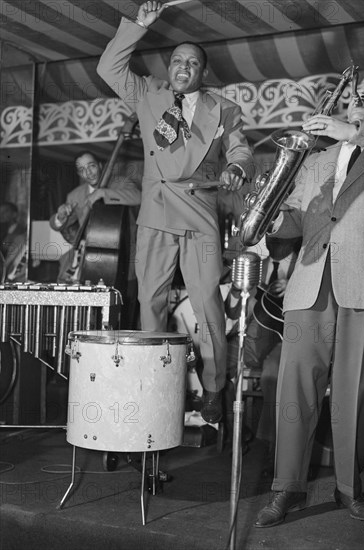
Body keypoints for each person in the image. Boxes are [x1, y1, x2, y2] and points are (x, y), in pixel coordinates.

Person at [254, 80, 364, 528]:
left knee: (358, 388)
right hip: (311, 280)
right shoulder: (315, 160)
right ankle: (286, 487)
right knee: (295, 386)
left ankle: (350, 487)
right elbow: (294, 220)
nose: (356, 100)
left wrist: (350, 129)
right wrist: (270, 215)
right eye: (352, 97)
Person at [97, 1, 255, 423]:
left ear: (203, 73)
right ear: (170, 68)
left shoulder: (221, 108)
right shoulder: (148, 93)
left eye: (193, 63)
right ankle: (151, 385)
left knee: (206, 304)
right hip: (154, 214)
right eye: (178, 60)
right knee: (149, 301)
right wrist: (140, 25)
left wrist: (238, 165)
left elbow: (240, 148)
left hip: (199, 215)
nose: (184, 67)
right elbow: (108, 69)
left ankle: (215, 386)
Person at [223, 236, 301, 451]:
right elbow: (231, 311)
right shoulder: (256, 265)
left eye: (280, 237)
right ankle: (237, 432)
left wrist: (295, 286)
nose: (272, 242)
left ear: (292, 238)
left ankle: (275, 452)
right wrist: (237, 290)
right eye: (270, 237)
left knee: (273, 374)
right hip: (250, 339)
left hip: (285, 341)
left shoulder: (304, 267)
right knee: (212, 364)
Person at [50, 150, 141, 327]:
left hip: (127, 260)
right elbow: (57, 224)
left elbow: (138, 197)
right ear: (78, 173)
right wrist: (61, 216)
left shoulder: (120, 182)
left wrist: (103, 194)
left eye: (91, 166)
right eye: (82, 169)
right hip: (94, 262)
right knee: (96, 315)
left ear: (100, 165)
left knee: (125, 313)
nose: (88, 173)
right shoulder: (75, 195)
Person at [0, 202, 27, 283]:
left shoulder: (23, 233)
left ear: (14, 214)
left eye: (5, 212)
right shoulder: (2, 230)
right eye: (0, 212)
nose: (2, 215)